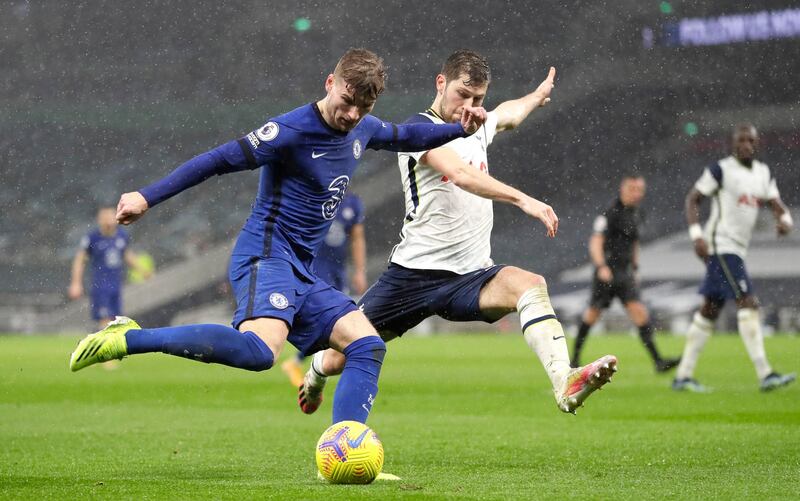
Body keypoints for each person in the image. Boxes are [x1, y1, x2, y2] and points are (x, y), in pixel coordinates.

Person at [69, 48, 488, 426]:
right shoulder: (289, 132)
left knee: (367, 344)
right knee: (260, 353)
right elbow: (215, 161)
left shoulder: (364, 127)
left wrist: (459, 130)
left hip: (301, 270)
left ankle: (345, 447)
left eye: (364, 106)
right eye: (347, 102)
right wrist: (147, 196)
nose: (353, 115)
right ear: (330, 83)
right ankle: (129, 337)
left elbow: (408, 135)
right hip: (265, 255)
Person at [298, 50, 617, 417]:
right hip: (412, 276)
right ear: (440, 83)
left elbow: (509, 114)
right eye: (461, 95)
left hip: (469, 277)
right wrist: (523, 200)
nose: (469, 106)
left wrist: (535, 97)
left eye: (478, 99)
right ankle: (315, 375)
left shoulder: (479, 124)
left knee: (530, 284)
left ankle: (564, 381)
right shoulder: (417, 130)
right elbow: (462, 175)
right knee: (342, 354)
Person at [672, 124, 795, 393]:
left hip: (738, 248)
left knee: (710, 310)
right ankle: (766, 373)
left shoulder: (763, 174)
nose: (746, 145)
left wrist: (786, 221)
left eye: (750, 140)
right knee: (748, 302)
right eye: (741, 141)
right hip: (720, 245)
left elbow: (778, 206)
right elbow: (693, 199)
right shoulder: (721, 169)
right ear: (732, 144)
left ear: (757, 143)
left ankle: (683, 377)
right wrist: (696, 235)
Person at [570, 175, 680, 372]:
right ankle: (574, 359)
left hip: (624, 273)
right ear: (623, 189)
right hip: (606, 273)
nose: (636, 193)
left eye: (639, 189)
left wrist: (635, 268)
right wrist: (601, 266)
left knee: (640, 313)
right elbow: (595, 241)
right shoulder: (610, 213)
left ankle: (658, 361)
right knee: (592, 314)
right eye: (632, 189)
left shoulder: (638, 213)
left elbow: (634, 242)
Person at [281, 191, 367, 387]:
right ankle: (303, 363)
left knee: (334, 318)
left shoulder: (353, 203)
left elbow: (357, 238)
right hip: (317, 265)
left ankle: (301, 362)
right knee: (331, 318)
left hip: (338, 268)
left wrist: (360, 271)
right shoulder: (315, 194)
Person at [68, 207, 152, 329]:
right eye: (104, 218)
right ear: (99, 220)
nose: (107, 221)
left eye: (110, 217)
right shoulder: (92, 238)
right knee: (105, 320)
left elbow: (127, 254)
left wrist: (143, 271)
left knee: (116, 320)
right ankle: (103, 346)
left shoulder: (122, 236)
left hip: (116, 285)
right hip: (100, 286)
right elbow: (80, 260)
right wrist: (76, 283)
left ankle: (112, 346)